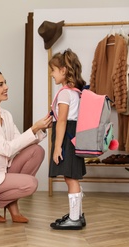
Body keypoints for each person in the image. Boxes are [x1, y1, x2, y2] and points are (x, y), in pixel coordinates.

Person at [0, 69, 52, 223]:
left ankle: (9, 208)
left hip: (3, 169)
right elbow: (6, 148)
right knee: (31, 184)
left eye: (5, 83)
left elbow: (19, 142)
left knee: (36, 151)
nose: (6, 87)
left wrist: (41, 128)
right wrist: (33, 128)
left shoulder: (6, 115)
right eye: (0, 84)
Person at [48, 49, 87, 230]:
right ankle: (77, 214)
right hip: (73, 136)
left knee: (71, 178)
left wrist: (57, 148)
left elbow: (62, 121)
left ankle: (74, 218)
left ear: (63, 71)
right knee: (71, 177)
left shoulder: (65, 93)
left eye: (53, 70)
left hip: (66, 138)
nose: (51, 74)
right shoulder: (76, 92)